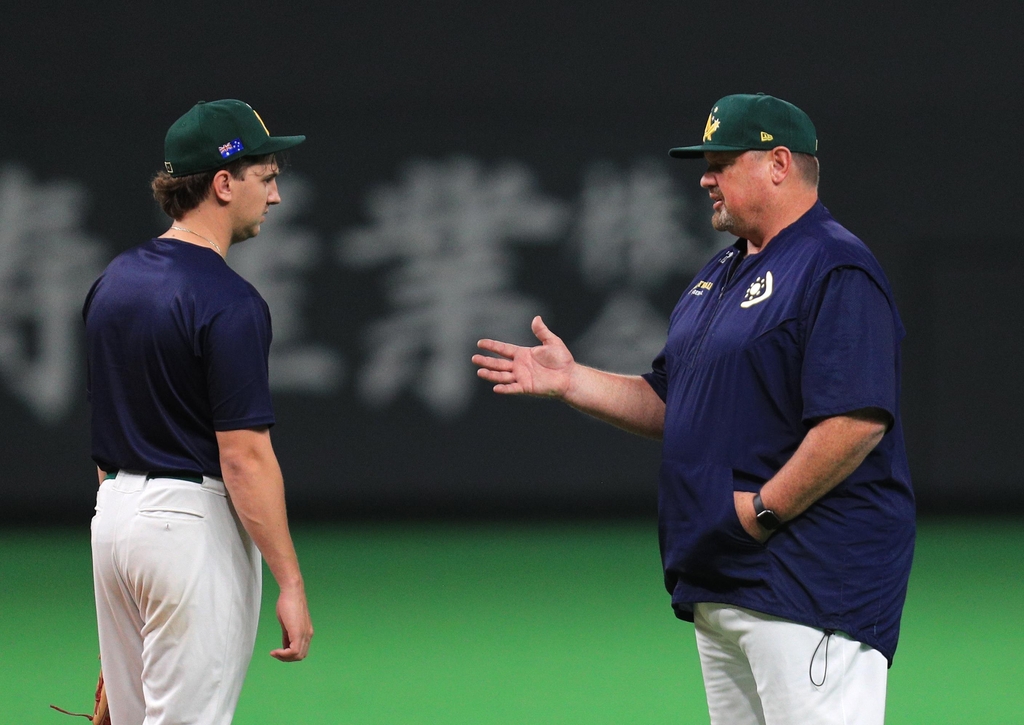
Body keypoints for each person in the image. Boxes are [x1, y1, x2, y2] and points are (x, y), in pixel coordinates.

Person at [473, 93, 915, 725]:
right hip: (726, 580)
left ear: (779, 163)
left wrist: (763, 511)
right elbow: (673, 401)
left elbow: (855, 422)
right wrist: (573, 383)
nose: (705, 176)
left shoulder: (834, 267)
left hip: (812, 585)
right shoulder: (722, 273)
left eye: (722, 160)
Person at [84, 99, 314, 724]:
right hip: (187, 533)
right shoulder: (229, 301)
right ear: (222, 182)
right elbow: (243, 457)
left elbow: (111, 430)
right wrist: (289, 581)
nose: (275, 197)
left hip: (114, 524)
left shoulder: (115, 280)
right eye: (265, 178)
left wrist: (126, 584)